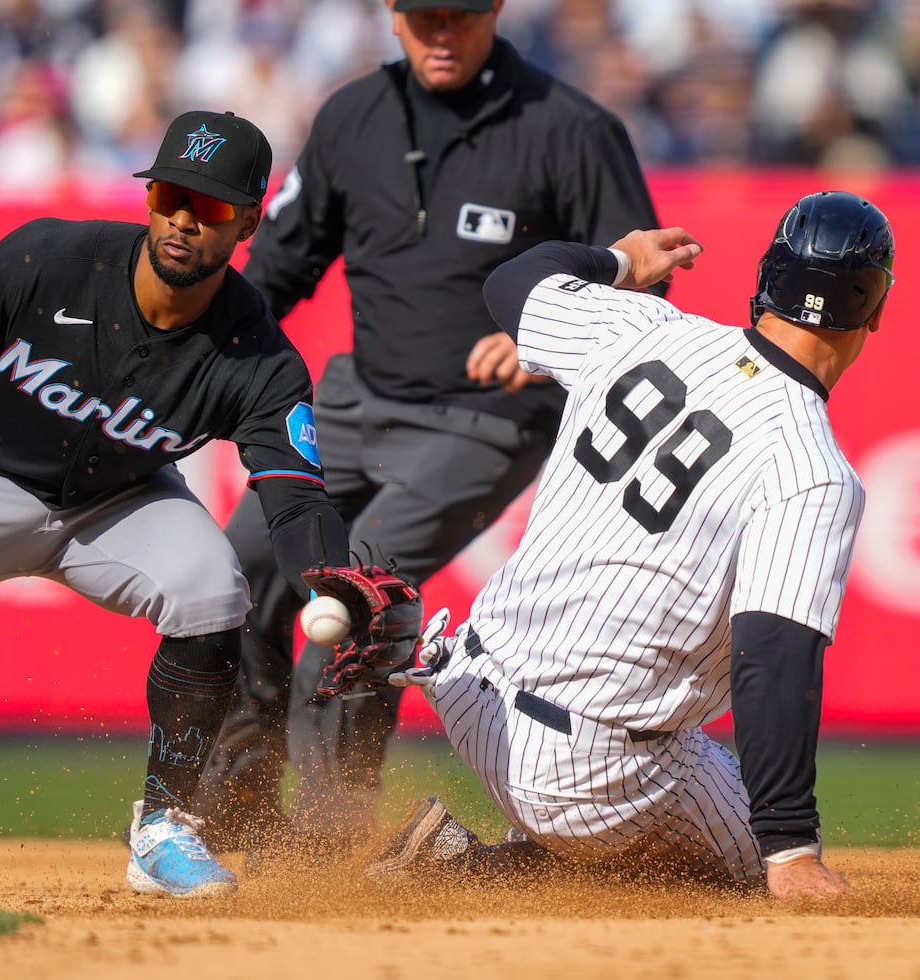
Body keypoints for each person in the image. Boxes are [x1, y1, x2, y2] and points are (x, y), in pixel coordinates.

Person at [191, 0, 665, 852]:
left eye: (460, 14)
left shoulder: (570, 128)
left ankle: (327, 847)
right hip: (354, 402)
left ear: (494, 11)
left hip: (485, 421)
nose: (441, 33)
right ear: (394, 15)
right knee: (237, 571)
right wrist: (196, 353)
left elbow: (644, 274)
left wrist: (551, 340)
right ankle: (236, 808)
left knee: (355, 594)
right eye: (424, 16)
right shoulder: (352, 116)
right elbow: (279, 265)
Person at [368, 189, 894, 903]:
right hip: (585, 774)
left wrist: (622, 258)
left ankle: (493, 852)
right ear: (874, 310)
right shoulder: (814, 470)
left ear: (768, 277)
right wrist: (790, 846)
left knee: (667, 777)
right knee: (737, 877)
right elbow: (770, 660)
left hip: (465, 689)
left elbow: (511, 283)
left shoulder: (644, 327)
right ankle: (469, 870)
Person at [0, 109, 367, 898]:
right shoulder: (48, 258)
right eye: (171, 193)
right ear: (149, 198)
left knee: (212, 587)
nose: (183, 218)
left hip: (117, 501)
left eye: (207, 206)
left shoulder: (259, 359)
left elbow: (297, 498)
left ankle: (165, 827)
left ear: (245, 221)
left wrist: (331, 579)